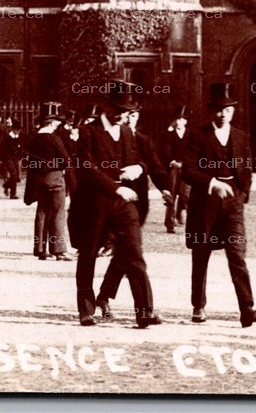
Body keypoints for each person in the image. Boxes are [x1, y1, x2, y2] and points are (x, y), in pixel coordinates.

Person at [70, 81, 158, 328]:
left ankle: (144, 311)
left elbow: (143, 159)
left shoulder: (128, 132)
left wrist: (139, 168)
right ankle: (86, 310)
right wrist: (115, 186)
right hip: (94, 203)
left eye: (126, 111)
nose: (122, 116)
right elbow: (85, 167)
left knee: (134, 254)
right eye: (118, 110)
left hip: (124, 204)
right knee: (88, 256)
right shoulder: (89, 131)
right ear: (107, 107)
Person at [184, 82, 256, 328]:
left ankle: (247, 308)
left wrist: (242, 193)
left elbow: (247, 167)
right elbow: (188, 170)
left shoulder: (240, 136)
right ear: (211, 111)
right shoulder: (197, 135)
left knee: (237, 254)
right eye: (218, 110)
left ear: (233, 111)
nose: (222, 114)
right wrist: (212, 183)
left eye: (227, 110)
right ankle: (198, 305)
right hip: (204, 204)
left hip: (232, 205)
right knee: (201, 254)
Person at [24, 102, 71, 261]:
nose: (59, 123)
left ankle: (40, 249)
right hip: (55, 179)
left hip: (38, 179)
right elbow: (65, 159)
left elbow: (30, 162)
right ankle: (59, 250)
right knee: (58, 213)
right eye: (57, 120)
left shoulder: (33, 138)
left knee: (42, 213)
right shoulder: (54, 138)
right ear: (51, 122)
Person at [160, 107, 190, 234]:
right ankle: (170, 224)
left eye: (182, 119)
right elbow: (165, 151)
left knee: (186, 195)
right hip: (173, 168)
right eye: (178, 119)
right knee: (171, 195)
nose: (179, 122)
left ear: (186, 121)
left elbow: (192, 151)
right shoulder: (169, 135)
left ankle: (189, 221)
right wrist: (172, 162)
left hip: (186, 168)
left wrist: (186, 164)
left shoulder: (190, 134)